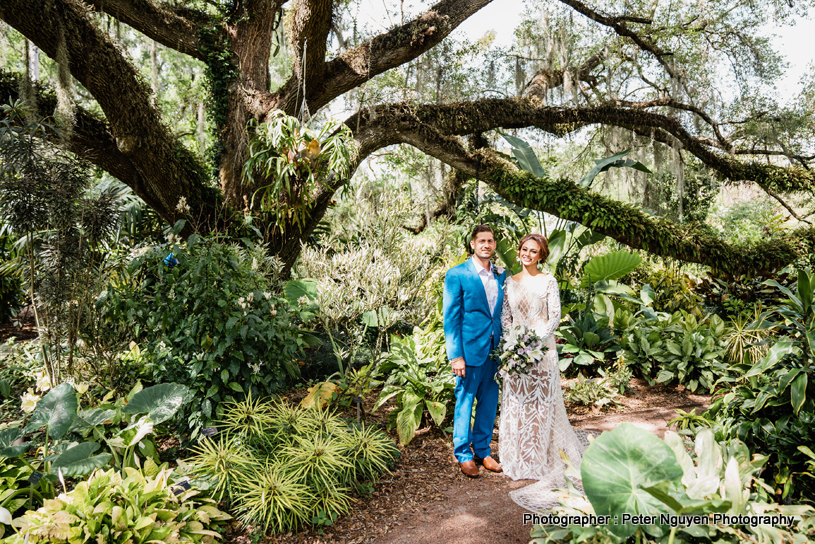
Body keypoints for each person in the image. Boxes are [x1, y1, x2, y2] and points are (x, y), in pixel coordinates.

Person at [499, 233, 590, 512]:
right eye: (524, 249)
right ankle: (518, 459)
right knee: (517, 405)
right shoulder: (509, 283)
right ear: (519, 252)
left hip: (543, 354)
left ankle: (539, 460)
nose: (528, 254)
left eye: (534, 251)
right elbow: (506, 318)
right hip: (516, 354)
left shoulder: (548, 281)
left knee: (541, 406)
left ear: (541, 255)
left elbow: (554, 317)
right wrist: (513, 345)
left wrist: (533, 344)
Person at [443, 224, 506, 477]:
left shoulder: (501, 275)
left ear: (494, 245)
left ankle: (483, 450)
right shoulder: (457, 274)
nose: (486, 245)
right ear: (472, 244)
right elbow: (451, 318)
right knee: (465, 401)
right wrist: (455, 355)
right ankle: (464, 454)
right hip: (468, 352)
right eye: (482, 241)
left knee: (489, 403)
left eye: (490, 241)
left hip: (495, 350)